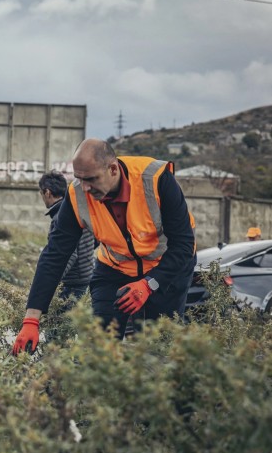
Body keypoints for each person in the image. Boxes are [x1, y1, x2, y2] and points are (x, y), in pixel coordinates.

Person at [13, 139, 197, 355]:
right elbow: (55, 254)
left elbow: (184, 245)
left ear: (112, 169)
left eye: (91, 179)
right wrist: (31, 320)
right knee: (100, 345)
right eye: (80, 179)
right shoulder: (77, 194)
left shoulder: (156, 180)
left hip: (166, 269)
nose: (86, 188)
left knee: (160, 347)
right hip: (115, 270)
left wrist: (149, 284)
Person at [38, 171, 95, 302]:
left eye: (41, 193)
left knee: (63, 321)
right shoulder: (79, 210)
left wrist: (50, 283)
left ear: (47, 192)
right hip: (86, 277)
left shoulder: (60, 218)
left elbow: (67, 254)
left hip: (73, 284)